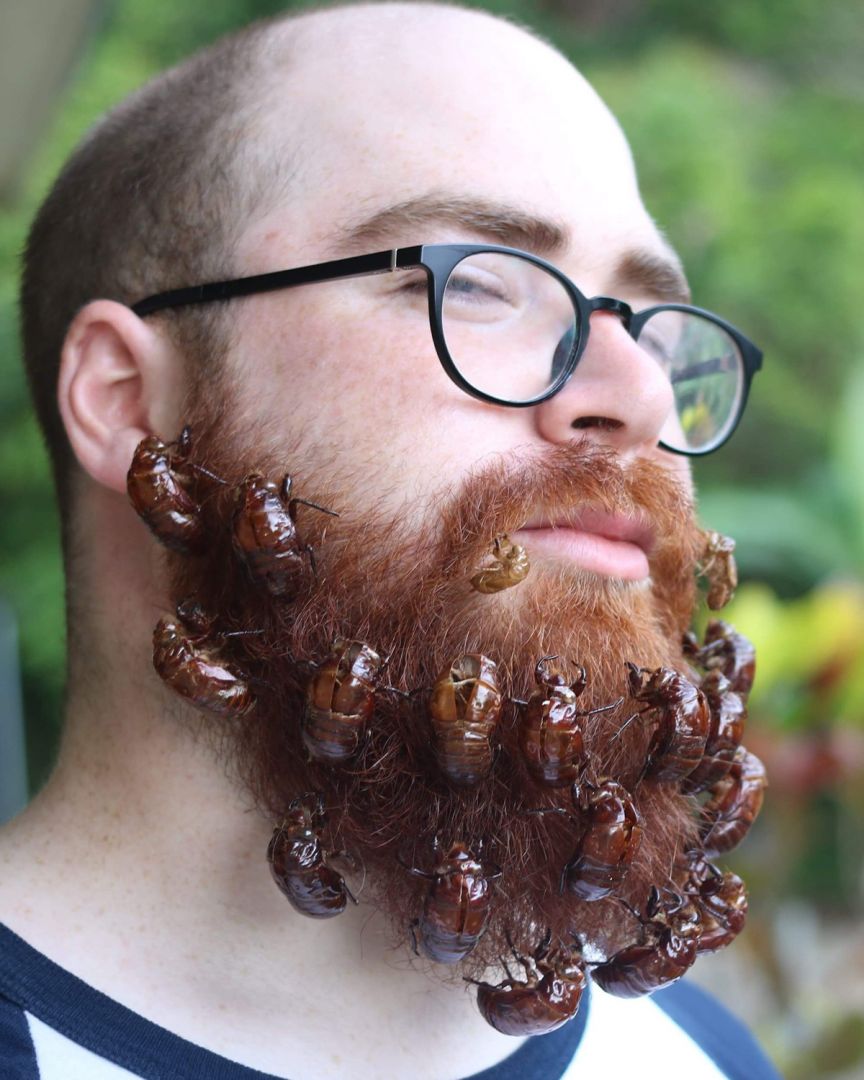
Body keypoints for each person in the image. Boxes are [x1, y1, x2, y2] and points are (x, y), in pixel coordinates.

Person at [0, 3, 780, 1077]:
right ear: (127, 399)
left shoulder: (712, 1058)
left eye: (656, 332)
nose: (642, 396)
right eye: (481, 283)